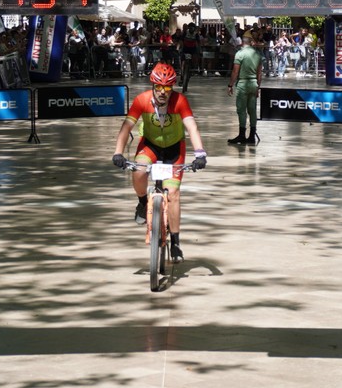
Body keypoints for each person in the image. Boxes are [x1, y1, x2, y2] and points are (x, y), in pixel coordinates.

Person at [111, 62, 207, 262]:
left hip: (174, 149)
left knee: (173, 194)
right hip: (150, 145)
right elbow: (126, 127)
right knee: (138, 171)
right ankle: (142, 202)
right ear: (152, 85)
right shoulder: (141, 100)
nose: (163, 92)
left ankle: (176, 243)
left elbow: (192, 127)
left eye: (168, 88)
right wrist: (118, 153)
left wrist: (200, 154)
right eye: (159, 87)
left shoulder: (180, 101)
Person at [227, 31, 262, 146]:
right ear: (250, 42)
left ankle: (242, 135)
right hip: (253, 84)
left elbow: (235, 71)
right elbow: (259, 73)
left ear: (242, 42)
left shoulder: (240, 54)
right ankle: (252, 135)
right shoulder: (257, 54)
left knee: (241, 110)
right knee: (252, 110)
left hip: (243, 84)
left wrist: (230, 85)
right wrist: (258, 87)